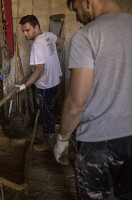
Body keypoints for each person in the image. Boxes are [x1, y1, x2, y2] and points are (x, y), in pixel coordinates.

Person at [54, 0, 132, 199]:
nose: (77, 16)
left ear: (87, 2)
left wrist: (62, 139)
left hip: (98, 143)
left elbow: (77, 102)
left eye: (76, 9)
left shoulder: (87, 35)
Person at [16, 15, 63, 151]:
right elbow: (61, 41)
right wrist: (52, 54)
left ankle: (49, 142)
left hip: (46, 85)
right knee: (46, 110)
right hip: (55, 81)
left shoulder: (37, 45)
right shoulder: (49, 35)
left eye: (27, 30)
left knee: (47, 112)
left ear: (36, 27)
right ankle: (44, 134)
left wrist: (24, 85)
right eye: (23, 31)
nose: (25, 34)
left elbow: (39, 70)